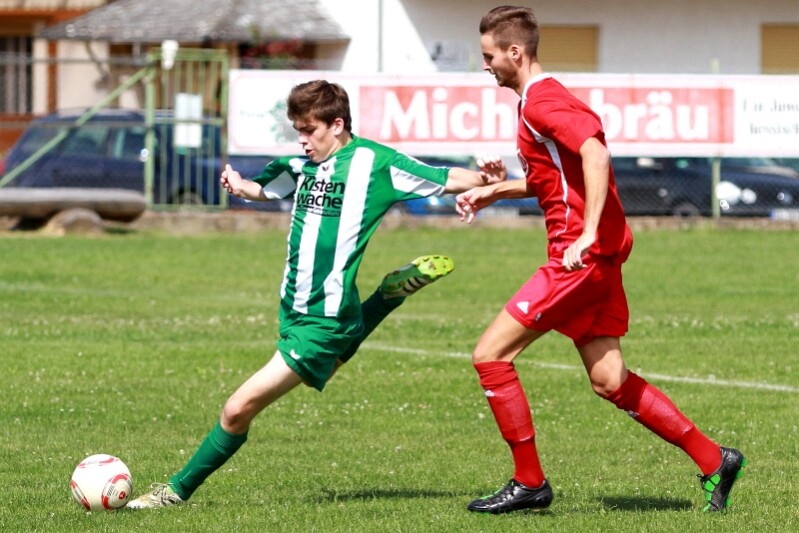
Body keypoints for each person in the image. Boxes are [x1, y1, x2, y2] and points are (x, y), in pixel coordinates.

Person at [127, 79, 504, 509]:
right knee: (325, 367)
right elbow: (264, 189)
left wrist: (488, 180)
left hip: (323, 320)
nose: (303, 140)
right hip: (294, 311)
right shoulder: (300, 165)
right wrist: (239, 185)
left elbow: (446, 177)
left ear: (337, 124)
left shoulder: (375, 163)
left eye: (309, 130)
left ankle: (175, 491)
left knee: (237, 408)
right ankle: (386, 297)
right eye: (298, 131)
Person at [454, 6, 745, 515]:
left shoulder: (541, 101)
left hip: (578, 259)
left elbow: (595, 154)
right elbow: (553, 179)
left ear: (514, 52)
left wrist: (587, 232)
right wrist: (495, 190)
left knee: (490, 355)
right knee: (610, 380)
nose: (485, 66)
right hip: (594, 257)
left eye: (488, 56)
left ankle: (529, 482)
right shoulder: (536, 101)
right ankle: (713, 458)